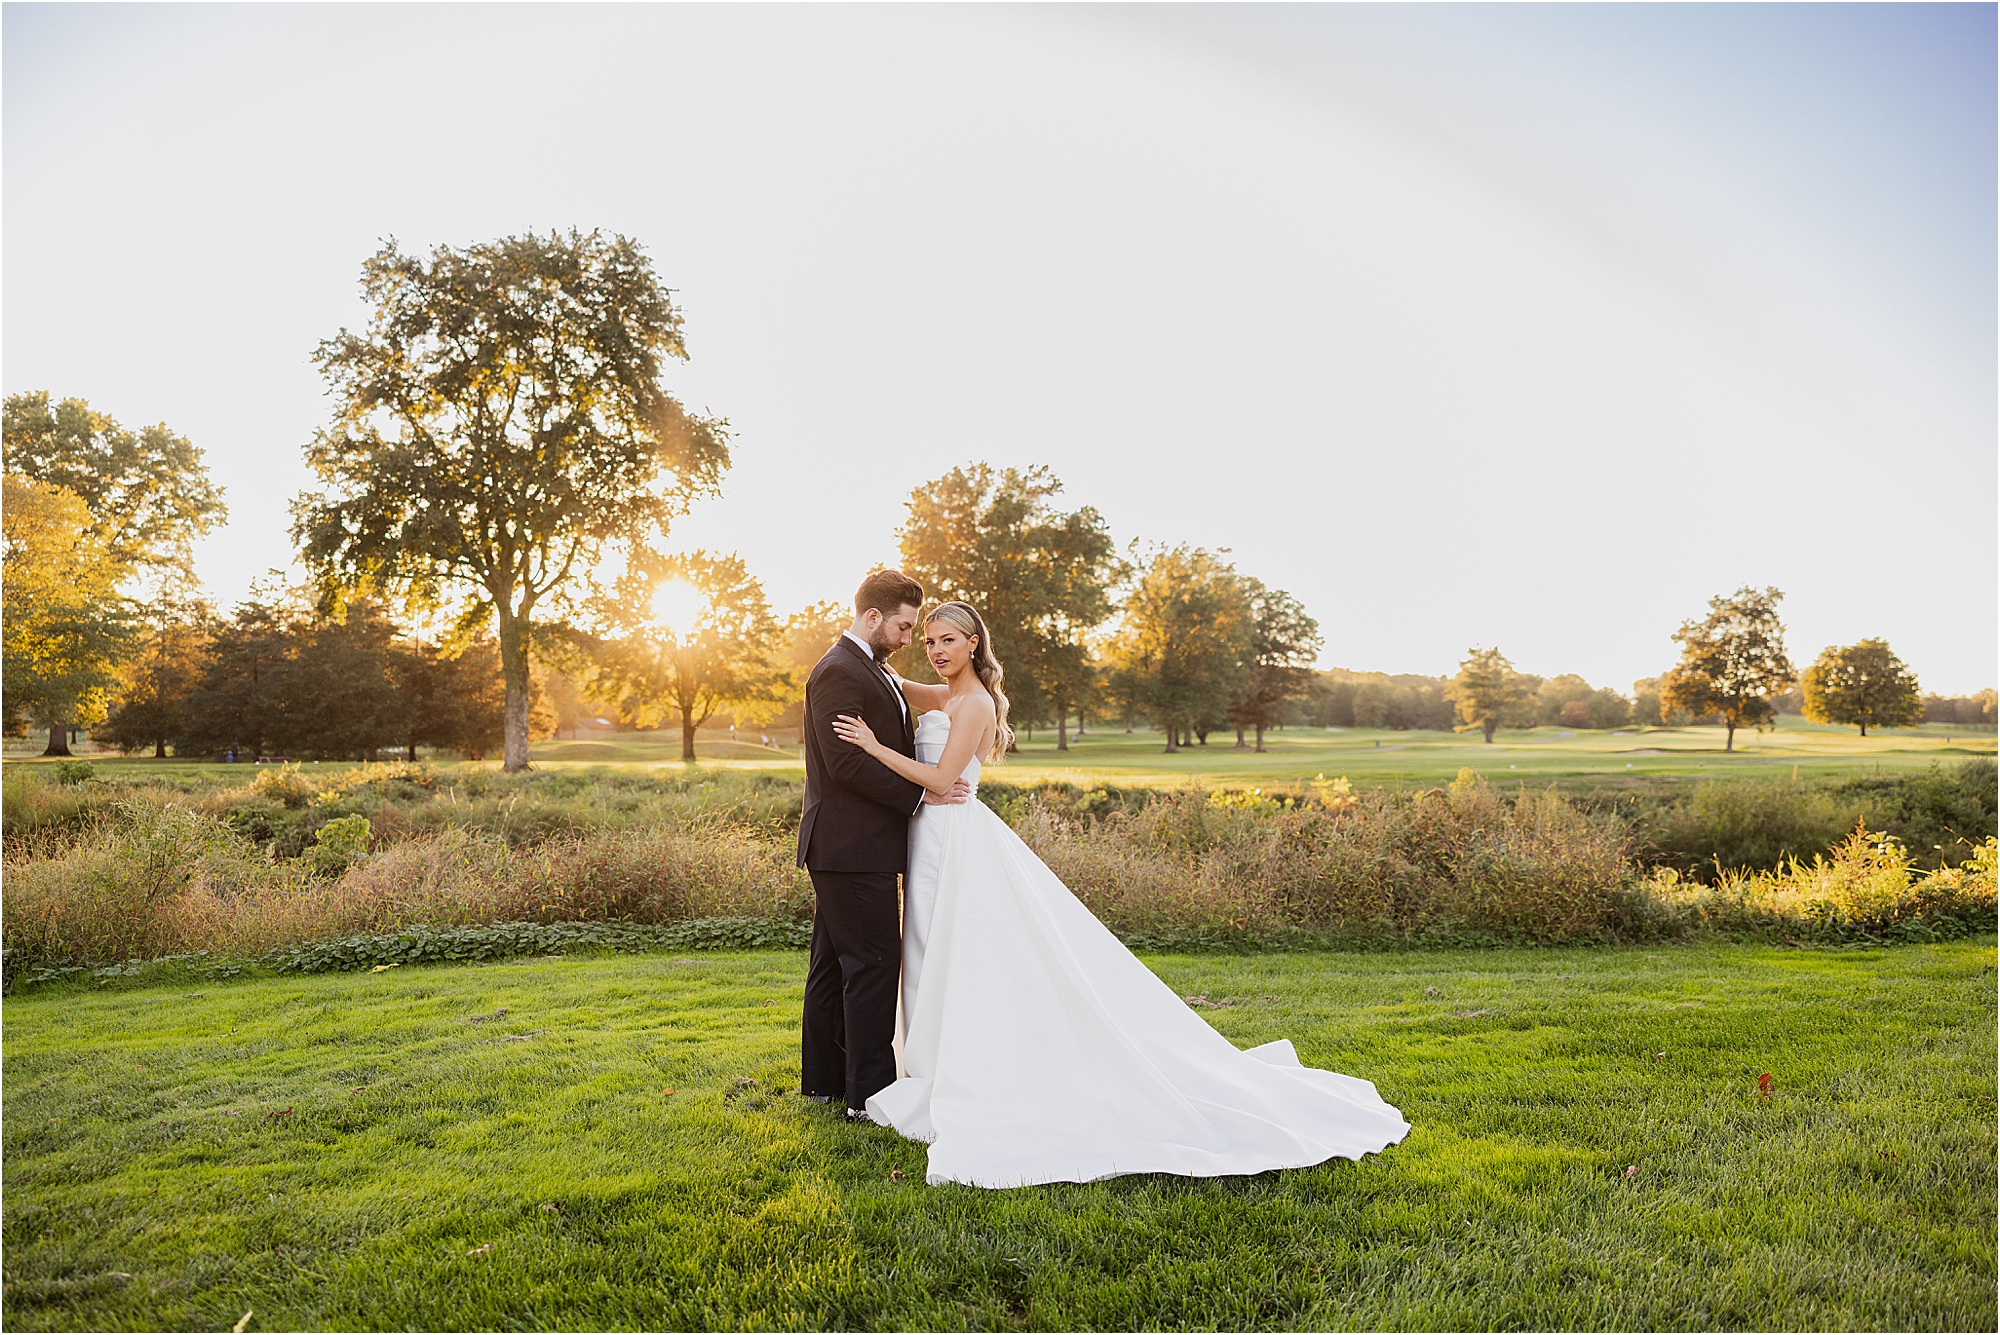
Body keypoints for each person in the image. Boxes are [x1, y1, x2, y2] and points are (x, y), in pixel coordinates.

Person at [830, 599, 1412, 1188]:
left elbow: (938, 780)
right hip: (927, 842)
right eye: (928, 640)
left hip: (953, 837)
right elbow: (894, 680)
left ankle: (964, 1072)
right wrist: (859, 645)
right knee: (927, 953)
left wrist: (873, 746)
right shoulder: (944, 694)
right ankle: (928, 1066)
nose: (935, 651)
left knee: (956, 951)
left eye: (947, 640)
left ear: (973, 644)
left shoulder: (975, 703)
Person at [797, 569, 971, 1118]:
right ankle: (869, 1096)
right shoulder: (838, 672)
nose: (905, 639)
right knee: (874, 962)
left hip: (853, 846)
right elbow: (844, 762)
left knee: (833, 964)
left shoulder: (875, 670)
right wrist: (921, 799)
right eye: (902, 626)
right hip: (849, 847)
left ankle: (824, 1081)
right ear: (873, 617)